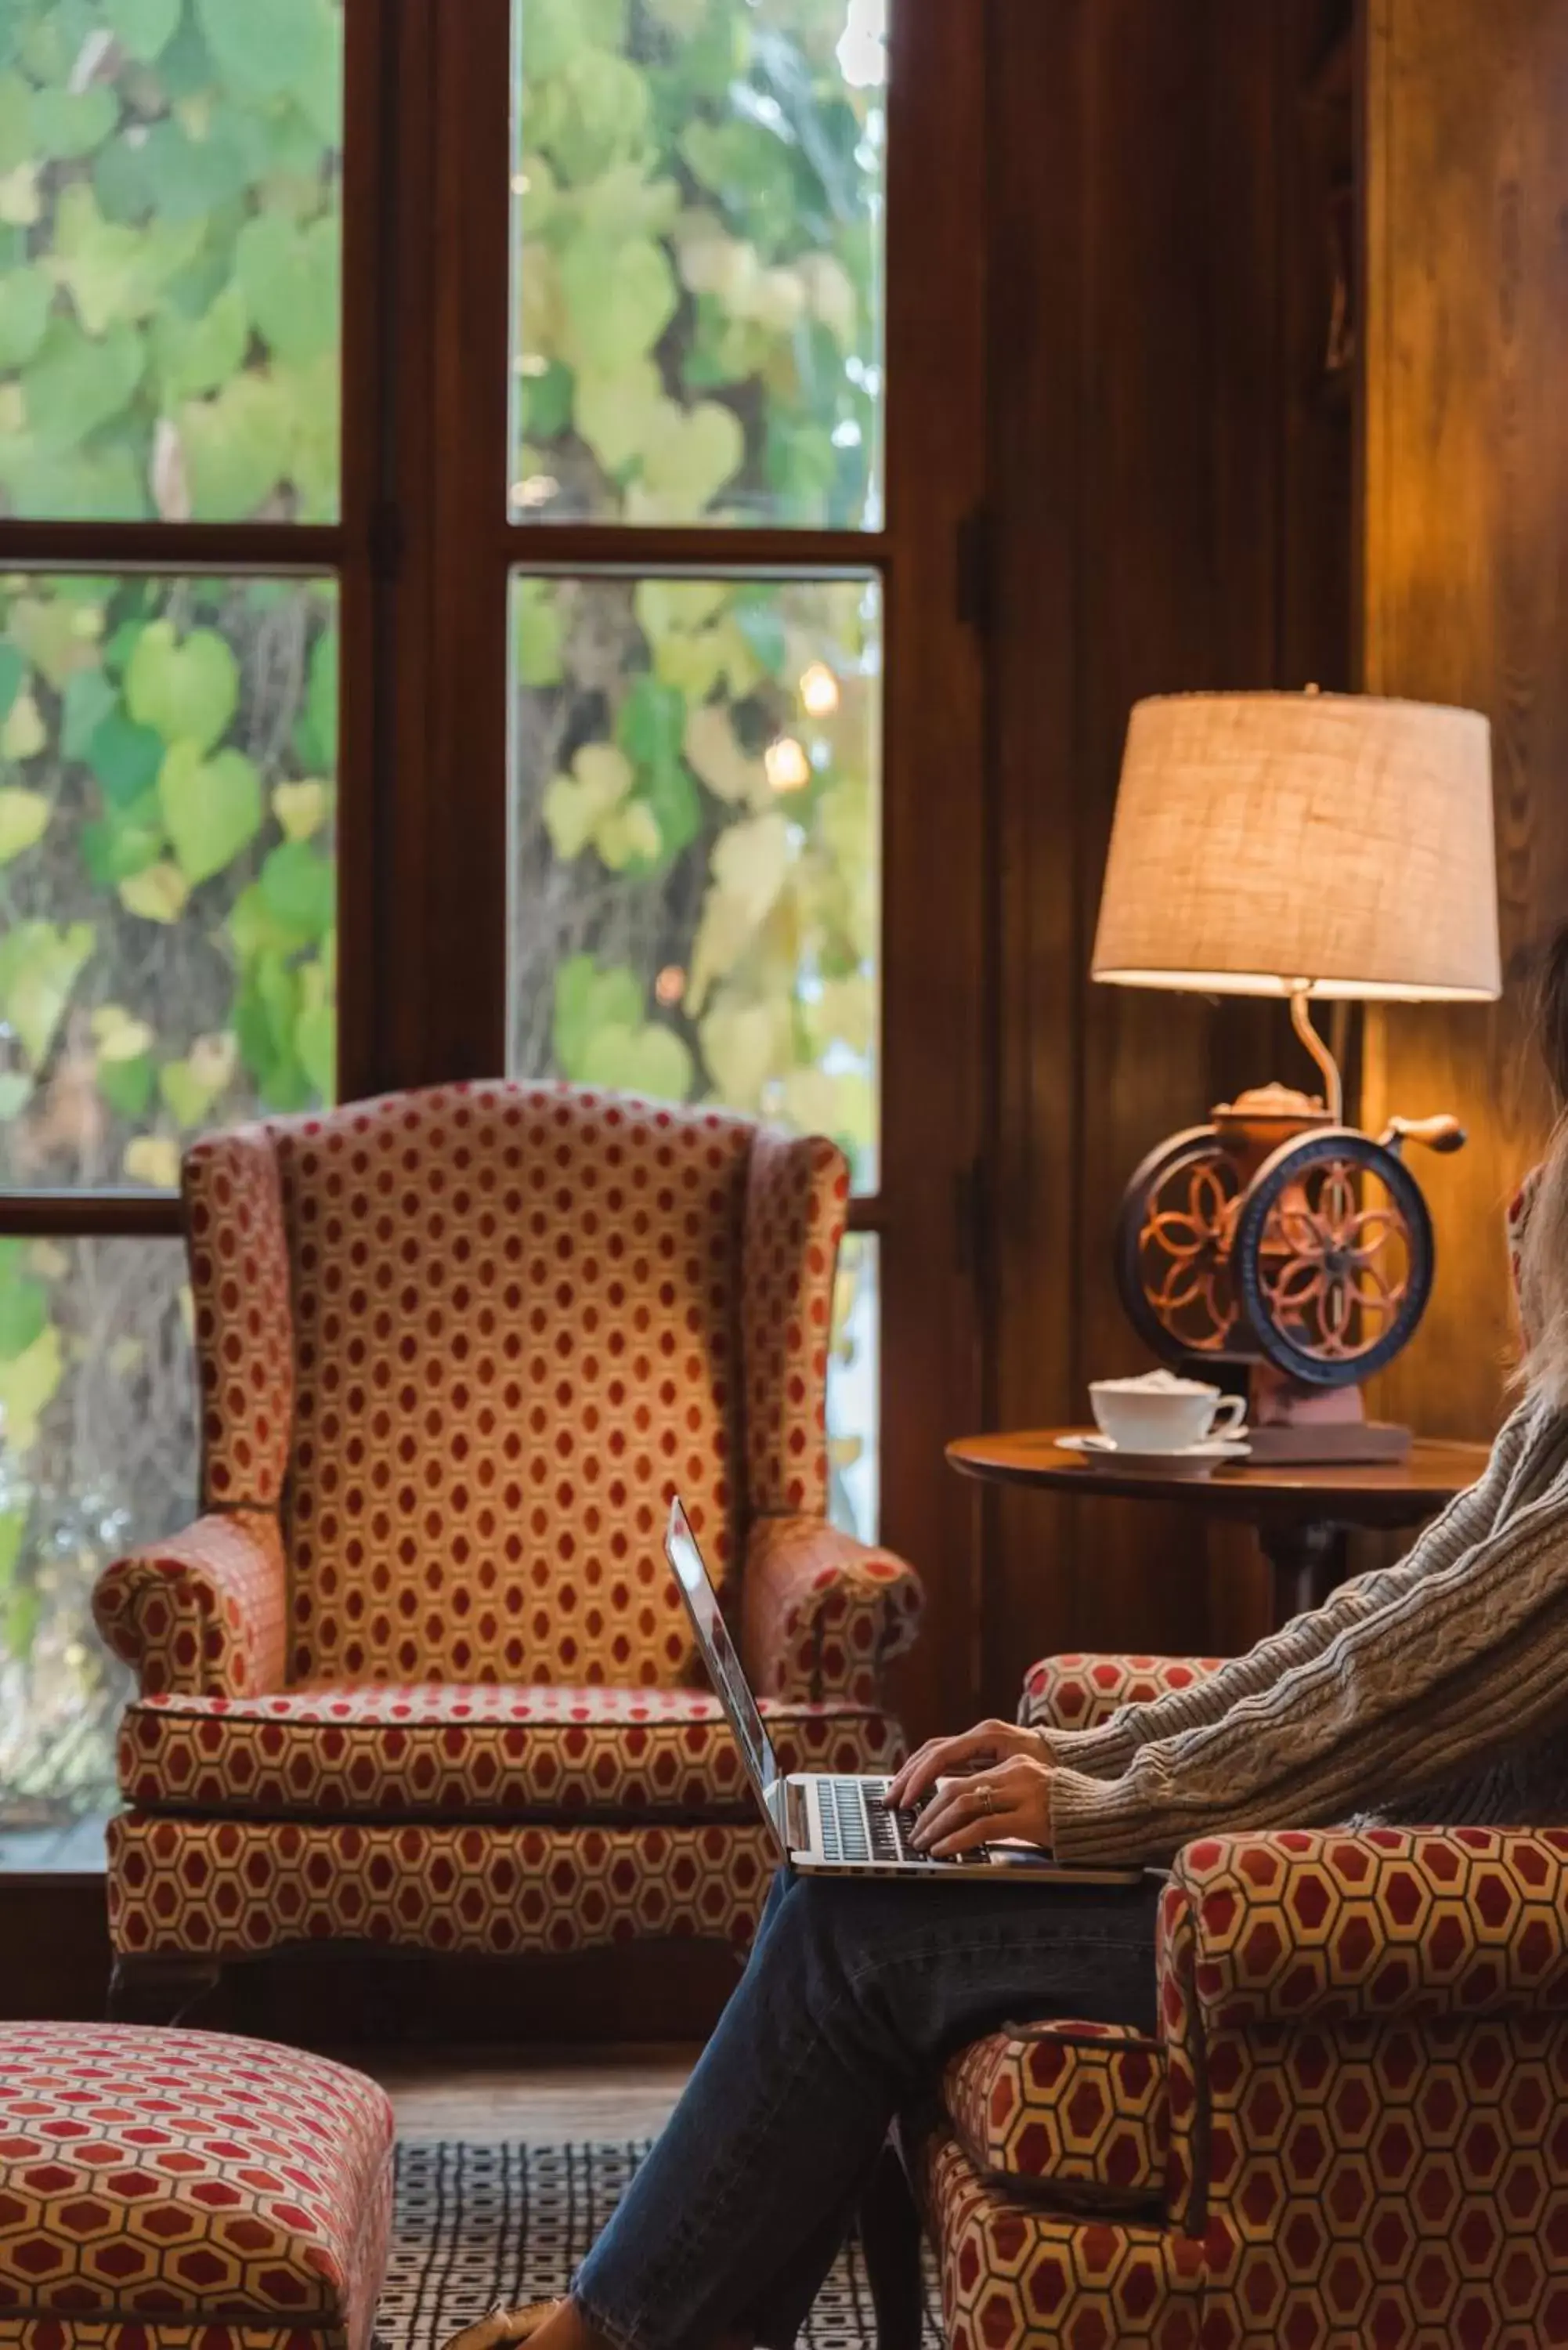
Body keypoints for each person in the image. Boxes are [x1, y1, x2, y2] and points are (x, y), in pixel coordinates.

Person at [448, 926, 1568, 2350]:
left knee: (855, 1928)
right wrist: (1082, 1754)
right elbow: (1368, 1627)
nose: (1532, 1185)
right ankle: (649, 2329)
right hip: (1320, 1868)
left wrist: (1111, 1806)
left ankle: (608, 2339)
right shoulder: (1558, 1428)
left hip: (1361, 1932)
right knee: (843, 1876)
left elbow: (1389, 1696)